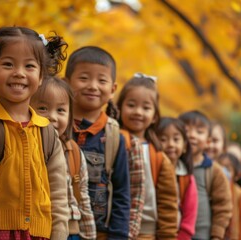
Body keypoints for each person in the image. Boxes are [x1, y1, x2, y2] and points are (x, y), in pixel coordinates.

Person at [0, 26, 69, 240]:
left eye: (29, 66)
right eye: (8, 64)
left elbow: (58, 192)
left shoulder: (47, 132)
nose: (19, 72)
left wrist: (59, 234)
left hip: (41, 234)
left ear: (41, 76)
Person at [64, 46, 130, 239]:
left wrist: (118, 235)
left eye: (101, 80)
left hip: (99, 232)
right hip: (56, 228)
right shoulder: (55, 127)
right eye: (84, 78)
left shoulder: (114, 136)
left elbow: (122, 193)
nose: (93, 86)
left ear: (112, 90)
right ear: (66, 83)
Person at [31, 76, 96, 240]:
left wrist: (89, 235)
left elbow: (82, 195)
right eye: (43, 108)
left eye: (60, 110)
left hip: (70, 230)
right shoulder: (24, 148)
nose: (52, 116)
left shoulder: (73, 151)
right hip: (33, 229)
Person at [117, 73, 178, 239]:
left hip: (146, 232)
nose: (138, 112)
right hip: (112, 227)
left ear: (155, 116)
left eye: (146, 108)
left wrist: (167, 235)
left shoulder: (158, 156)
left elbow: (167, 202)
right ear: (119, 108)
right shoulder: (111, 142)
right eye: (131, 105)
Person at [178, 110, 232, 240]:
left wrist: (217, 235)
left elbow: (223, 206)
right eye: (186, 130)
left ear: (208, 141)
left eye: (199, 132)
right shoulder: (173, 166)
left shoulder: (214, 171)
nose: (192, 135)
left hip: (203, 235)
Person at [156, 117, 198, 240]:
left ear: (184, 146)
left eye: (176, 139)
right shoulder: (152, 170)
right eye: (163, 139)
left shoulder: (186, 178)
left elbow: (190, 214)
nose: (170, 144)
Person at [217, 153, 241, 240]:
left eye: (227, 168)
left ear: (237, 175)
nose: (222, 171)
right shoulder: (213, 191)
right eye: (219, 167)